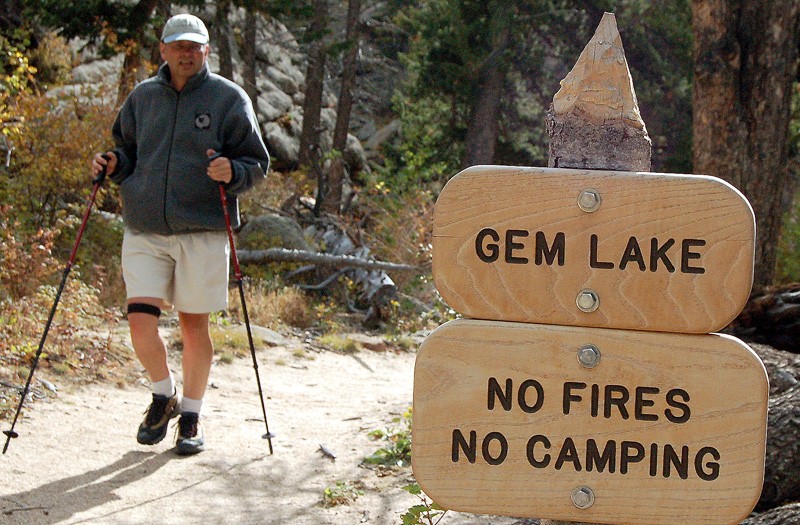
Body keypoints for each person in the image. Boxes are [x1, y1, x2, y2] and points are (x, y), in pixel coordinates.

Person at [91, 13, 270, 455]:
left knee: (193, 327)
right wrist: (113, 164)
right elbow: (128, 151)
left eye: (195, 46)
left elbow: (256, 161)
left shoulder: (229, 98)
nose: (187, 53)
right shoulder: (143, 97)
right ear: (164, 50)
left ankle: (190, 415)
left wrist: (235, 171)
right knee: (139, 322)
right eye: (179, 46)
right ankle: (162, 395)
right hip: (145, 227)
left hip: (203, 229)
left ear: (206, 51)